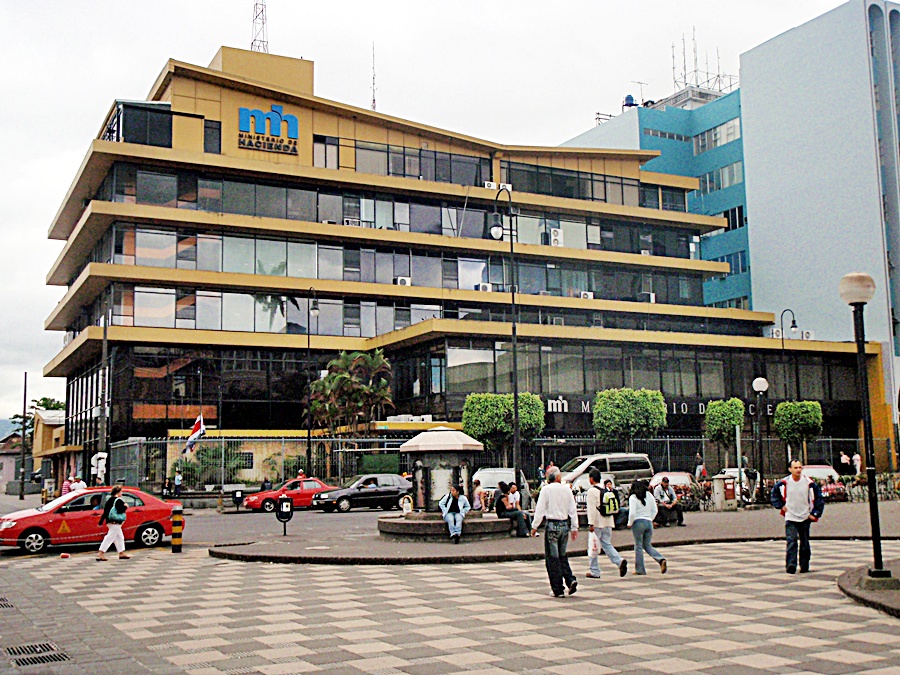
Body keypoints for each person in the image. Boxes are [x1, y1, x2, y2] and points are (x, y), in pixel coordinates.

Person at [770, 459, 825, 574]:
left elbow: (819, 498)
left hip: (805, 516)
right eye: (795, 468)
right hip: (790, 516)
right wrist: (780, 506)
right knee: (792, 541)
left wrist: (815, 513)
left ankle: (804, 565)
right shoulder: (783, 483)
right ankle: (791, 564)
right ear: (790, 469)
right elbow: (774, 494)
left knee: (804, 543)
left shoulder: (809, 483)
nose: (798, 470)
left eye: (800, 467)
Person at [531, 467, 578, 598]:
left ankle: (558, 588)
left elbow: (540, 509)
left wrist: (534, 526)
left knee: (553, 558)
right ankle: (570, 579)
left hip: (552, 524)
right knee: (562, 555)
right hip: (564, 524)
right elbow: (572, 509)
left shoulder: (546, 490)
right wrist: (574, 527)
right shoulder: (566, 489)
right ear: (558, 477)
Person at [585, 470, 627, 579]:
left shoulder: (591, 491)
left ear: (591, 478)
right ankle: (619, 561)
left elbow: (591, 509)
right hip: (608, 521)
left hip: (597, 523)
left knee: (593, 546)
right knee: (606, 544)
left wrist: (590, 523)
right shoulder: (605, 490)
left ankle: (594, 570)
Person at [627, 480, 667, 575]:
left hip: (638, 522)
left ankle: (640, 569)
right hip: (648, 522)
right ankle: (660, 559)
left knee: (638, 546)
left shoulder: (633, 497)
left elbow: (632, 513)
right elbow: (655, 509)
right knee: (647, 545)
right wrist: (650, 519)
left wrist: (630, 523)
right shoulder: (649, 495)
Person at [97, 486, 131, 561]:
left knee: (119, 537)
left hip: (109, 521)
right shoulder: (119, 501)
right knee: (110, 537)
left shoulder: (109, 500)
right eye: (121, 491)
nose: (122, 493)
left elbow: (105, 512)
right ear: (118, 492)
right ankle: (101, 552)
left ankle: (121, 552)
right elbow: (120, 510)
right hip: (115, 522)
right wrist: (125, 506)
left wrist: (101, 522)